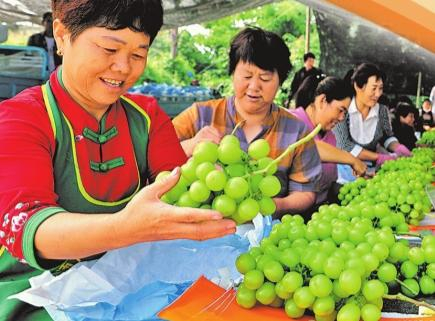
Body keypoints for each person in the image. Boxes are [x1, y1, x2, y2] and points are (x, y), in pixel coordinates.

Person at [0, 1, 236, 320]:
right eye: (109, 48)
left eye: (139, 54)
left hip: (123, 285)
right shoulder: (22, 118)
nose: (124, 68)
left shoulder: (147, 118)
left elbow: (178, 190)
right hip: (30, 295)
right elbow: (30, 228)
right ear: (62, 34)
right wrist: (123, 228)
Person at [172, 27, 322, 218]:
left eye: (265, 78)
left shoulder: (297, 131)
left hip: (263, 238)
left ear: (280, 81)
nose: (254, 86)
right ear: (233, 73)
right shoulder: (200, 114)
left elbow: (306, 192)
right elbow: (151, 158)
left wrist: (268, 206)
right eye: (247, 76)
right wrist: (190, 145)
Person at [290, 75, 367, 205]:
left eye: (345, 113)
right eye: (341, 110)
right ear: (322, 101)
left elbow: (327, 185)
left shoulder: (330, 136)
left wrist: (356, 189)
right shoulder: (291, 121)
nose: (342, 118)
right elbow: (306, 147)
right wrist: (352, 159)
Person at [333, 63, 411, 180]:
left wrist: (398, 147)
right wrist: (378, 157)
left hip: (372, 171)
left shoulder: (382, 111)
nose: (378, 94)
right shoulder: (343, 109)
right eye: (374, 88)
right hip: (345, 171)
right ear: (358, 86)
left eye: (380, 88)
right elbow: (344, 145)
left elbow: (387, 136)